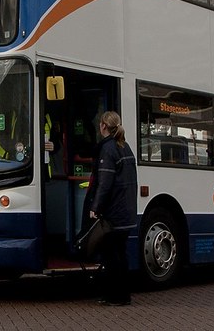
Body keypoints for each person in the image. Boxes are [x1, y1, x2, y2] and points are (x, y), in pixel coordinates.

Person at [87, 111, 138, 307]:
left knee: (111, 255)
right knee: (120, 254)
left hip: (113, 213)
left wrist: (95, 207)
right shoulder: (125, 147)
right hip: (127, 210)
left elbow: (105, 183)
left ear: (103, 126)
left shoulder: (107, 150)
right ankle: (123, 295)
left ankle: (115, 296)